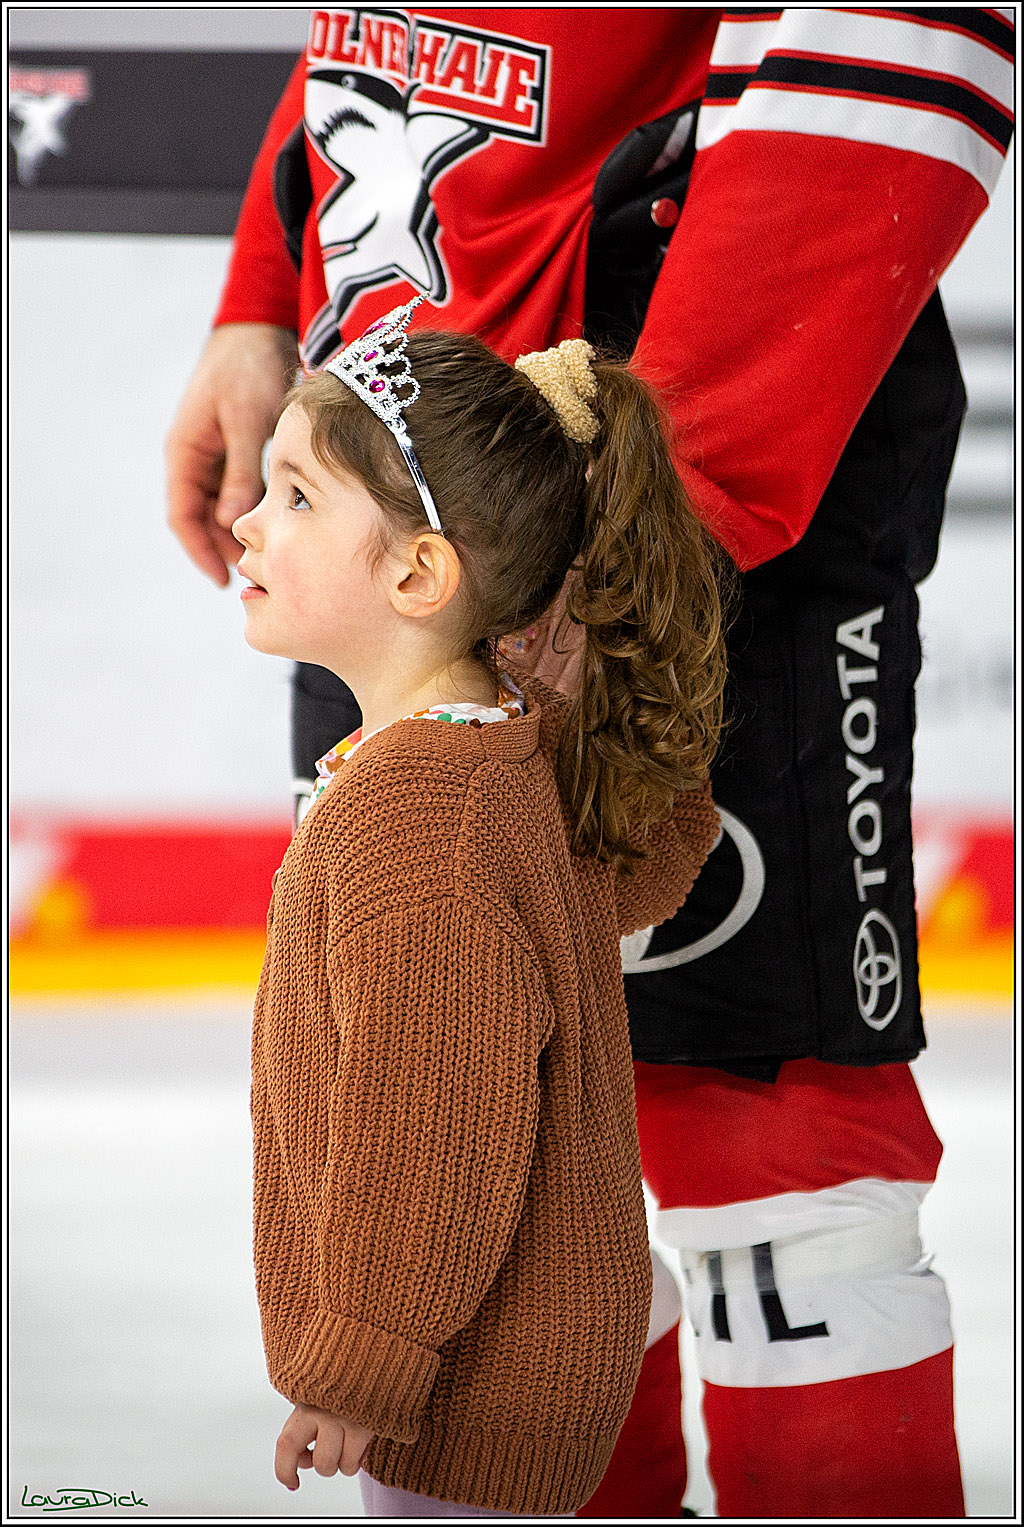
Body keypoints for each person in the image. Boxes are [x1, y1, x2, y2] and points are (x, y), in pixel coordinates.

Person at [166, 9, 1014, 1516]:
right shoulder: (360, 572)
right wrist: (267, 288)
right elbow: (395, 37)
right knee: (526, 1131)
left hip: (638, 456)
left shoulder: (601, 534)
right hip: (392, 439)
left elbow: (897, 38)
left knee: (779, 1183)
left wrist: (642, 540)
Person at [235, 299, 728, 1518]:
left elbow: (433, 1137)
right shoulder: (501, 759)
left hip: (465, 1386)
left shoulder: (422, 820)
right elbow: (644, 864)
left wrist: (362, 1366)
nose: (247, 523)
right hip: (502, 1350)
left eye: (295, 497)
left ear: (417, 572)